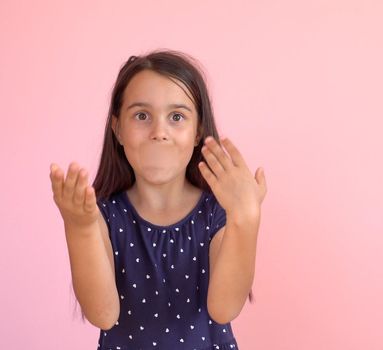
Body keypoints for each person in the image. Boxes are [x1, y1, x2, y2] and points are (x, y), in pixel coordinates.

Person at [49, 49, 267, 349]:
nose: (159, 132)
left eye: (176, 117)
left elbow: (225, 308)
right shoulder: (102, 216)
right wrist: (79, 228)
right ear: (118, 130)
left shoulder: (216, 213)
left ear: (196, 131)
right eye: (142, 116)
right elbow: (103, 314)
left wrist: (246, 219)